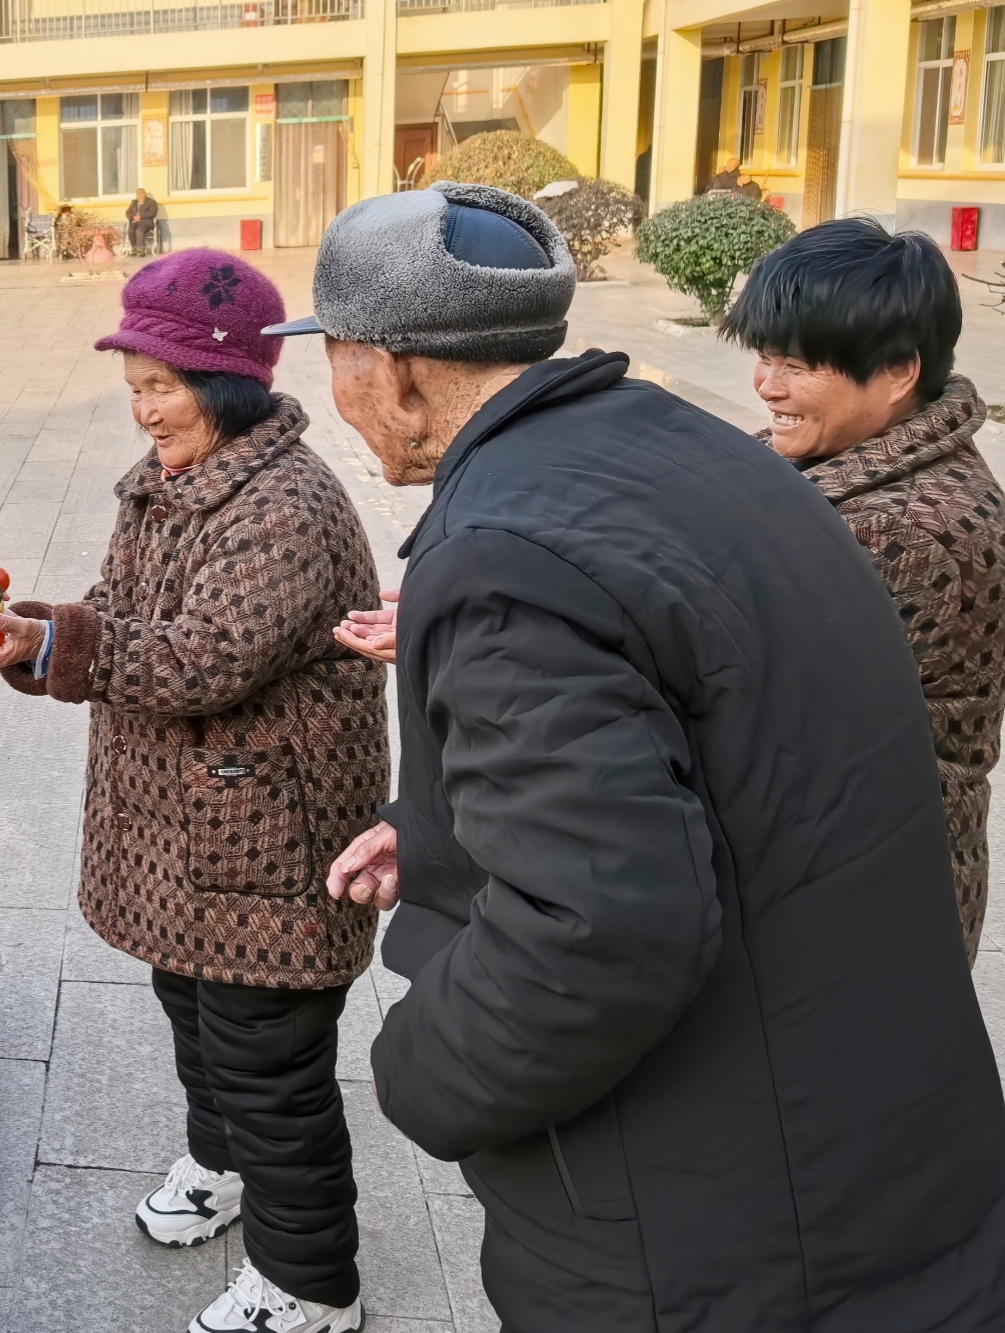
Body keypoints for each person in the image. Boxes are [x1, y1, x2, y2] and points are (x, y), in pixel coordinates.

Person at [292, 183, 1005, 1328]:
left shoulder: (499, 555)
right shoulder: (679, 443)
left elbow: (602, 928)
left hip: (712, 1229)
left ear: (394, 369)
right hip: (875, 1137)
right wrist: (434, 832)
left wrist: (417, 1065)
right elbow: (682, 738)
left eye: (330, 361)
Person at [0, 249, 387, 1333]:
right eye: (132, 385)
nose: (141, 409)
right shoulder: (170, 484)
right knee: (195, 1009)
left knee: (269, 1059)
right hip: (191, 831)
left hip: (266, 834)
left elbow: (202, 658)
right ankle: (218, 1165)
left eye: (159, 386)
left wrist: (51, 643)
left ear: (227, 381)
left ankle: (312, 1282)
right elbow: (116, 609)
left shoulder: (282, 504)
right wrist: (22, 627)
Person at [723, 218, 1004, 963]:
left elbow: (727, 685)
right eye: (765, 355)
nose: (767, 385)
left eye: (798, 364)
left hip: (865, 895)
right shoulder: (850, 459)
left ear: (899, 372)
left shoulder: (900, 527)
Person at [126, 187, 159, 256]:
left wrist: (140, 217)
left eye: (142, 194)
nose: (140, 196)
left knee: (139, 231)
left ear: (145, 194)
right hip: (135, 222)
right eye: (138, 194)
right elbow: (128, 212)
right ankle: (134, 248)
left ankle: (141, 250)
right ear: (136, 195)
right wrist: (133, 217)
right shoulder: (134, 203)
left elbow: (152, 212)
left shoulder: (151, 202)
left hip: (146, 222)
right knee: (130, 230)